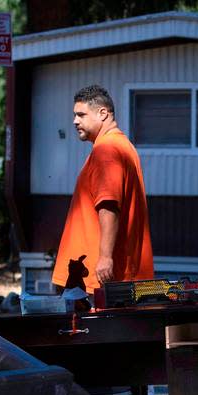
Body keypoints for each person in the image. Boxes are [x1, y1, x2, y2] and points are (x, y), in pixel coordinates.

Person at [52, 85, 154, 293]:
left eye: (81, 114)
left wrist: (105, 258)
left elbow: (108, 204)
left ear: (103, 113)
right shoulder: (123, 146)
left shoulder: (106, 150)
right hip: (106, 276)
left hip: (95, 278)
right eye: (74, 115)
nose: (75, 121)